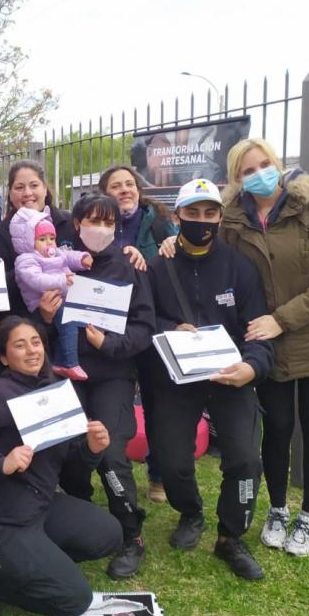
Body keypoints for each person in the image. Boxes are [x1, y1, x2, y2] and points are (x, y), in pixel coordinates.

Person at [221, 138, 309, 557]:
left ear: (277, 165)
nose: (258, 174)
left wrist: (282, 319)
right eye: (246, 170)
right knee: (277, 427)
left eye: (264, 164)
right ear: (236, 179)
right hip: (266, 343)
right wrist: (173, 244)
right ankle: (278, 509)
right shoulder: (232, 221)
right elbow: (215, 264)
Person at [0, 317, 121, 616]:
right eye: (20, 345)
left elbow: (70, 473)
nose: (31, 351)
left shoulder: (56, 393)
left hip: (39, 507)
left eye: (36, 342)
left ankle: (27, 562)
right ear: (3, 357)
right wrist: (1, 463)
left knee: (109, 535)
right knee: (73, 600)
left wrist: (92, 449)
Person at [145, 178, 273, 581]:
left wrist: (252, 366)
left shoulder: (240, 266)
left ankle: (230, 537)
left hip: (230, 375)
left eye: (209, 213)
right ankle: (190, 512)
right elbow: (143, 321)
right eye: (192, 213)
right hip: (176, 377)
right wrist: (169, 327)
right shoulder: (158, 266)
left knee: (246, 459)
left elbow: (258, 329)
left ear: (220, 217)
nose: (201, 221)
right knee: (171, 458)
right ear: (178, 215)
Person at [48, 193, 156, 579]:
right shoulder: (58, 262)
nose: (101, 229)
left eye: (109, 223)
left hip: (112, 373)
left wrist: (109, 344)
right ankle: (81, 519)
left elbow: (144, 327)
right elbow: (34, 323)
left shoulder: (129, 266)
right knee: (68, 450)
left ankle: (131, 535)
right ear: (76, 225)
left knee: (109, 453)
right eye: (93, 221)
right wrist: (45, 314)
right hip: (66, 375)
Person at [98, 164, 178, 503]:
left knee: (156, 402)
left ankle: (158, 475)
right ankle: (107, 463)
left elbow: (173, 265)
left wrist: (151, 251)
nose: (125, 190)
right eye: (116, 186)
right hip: (109, 327)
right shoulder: (98, 223)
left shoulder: (158, 223)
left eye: (129, 184)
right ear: (105, 193)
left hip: (151, 322)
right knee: (114, 404)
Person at [0, 160, 78, 319]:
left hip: (74, 318)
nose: (27, 193)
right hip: (22, 325)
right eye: (19, 187)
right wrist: (25, 273)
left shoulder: (69, 223)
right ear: (9, 194)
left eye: (34, 185)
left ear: (45, 189)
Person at [10, 207, 92, 380]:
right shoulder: (26, 259)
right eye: (42, 239)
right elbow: (37, 280)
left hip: (61, 296)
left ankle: (61, 361)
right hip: (41, 301)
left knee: (77, 321)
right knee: (69, 323)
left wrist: (82, 258)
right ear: (28, 241)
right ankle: (70, 362)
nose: (49, 243)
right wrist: (62, 280)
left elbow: (69, 256)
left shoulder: (55, 253)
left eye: (52, 238)